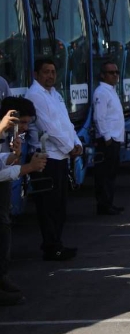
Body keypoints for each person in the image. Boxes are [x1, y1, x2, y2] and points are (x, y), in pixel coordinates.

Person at [26, 58, 82, 261]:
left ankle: (57, 243)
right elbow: (48, 128)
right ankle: (52, 247)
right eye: (45, 72)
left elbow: (66, 123)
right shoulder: (35, 95)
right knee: (48, 207)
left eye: (53, 72)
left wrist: (77, 143)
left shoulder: (55, 94)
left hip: (61, 156)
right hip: (46, 158)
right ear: (36, 74)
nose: (50, 76)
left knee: (59, 205)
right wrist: (70, 147)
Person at [0, 100, 47, 305]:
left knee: (4, 227)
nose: (25, 128)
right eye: (23, 122)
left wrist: (13, 156)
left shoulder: (10, 134)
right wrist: (28, 167)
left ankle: (2, 276)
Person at [92, 62, 125, 215]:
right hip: (107, 140)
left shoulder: (111, 90)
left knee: (111, 174)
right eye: (111, 73)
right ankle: (103, 204)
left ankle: (109, 202)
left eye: (116, 72)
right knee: (104, 175)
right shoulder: (101, 92)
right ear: (103, 75)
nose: (115, 75)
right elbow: (99, 117)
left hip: (115, 138)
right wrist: (107, 138)